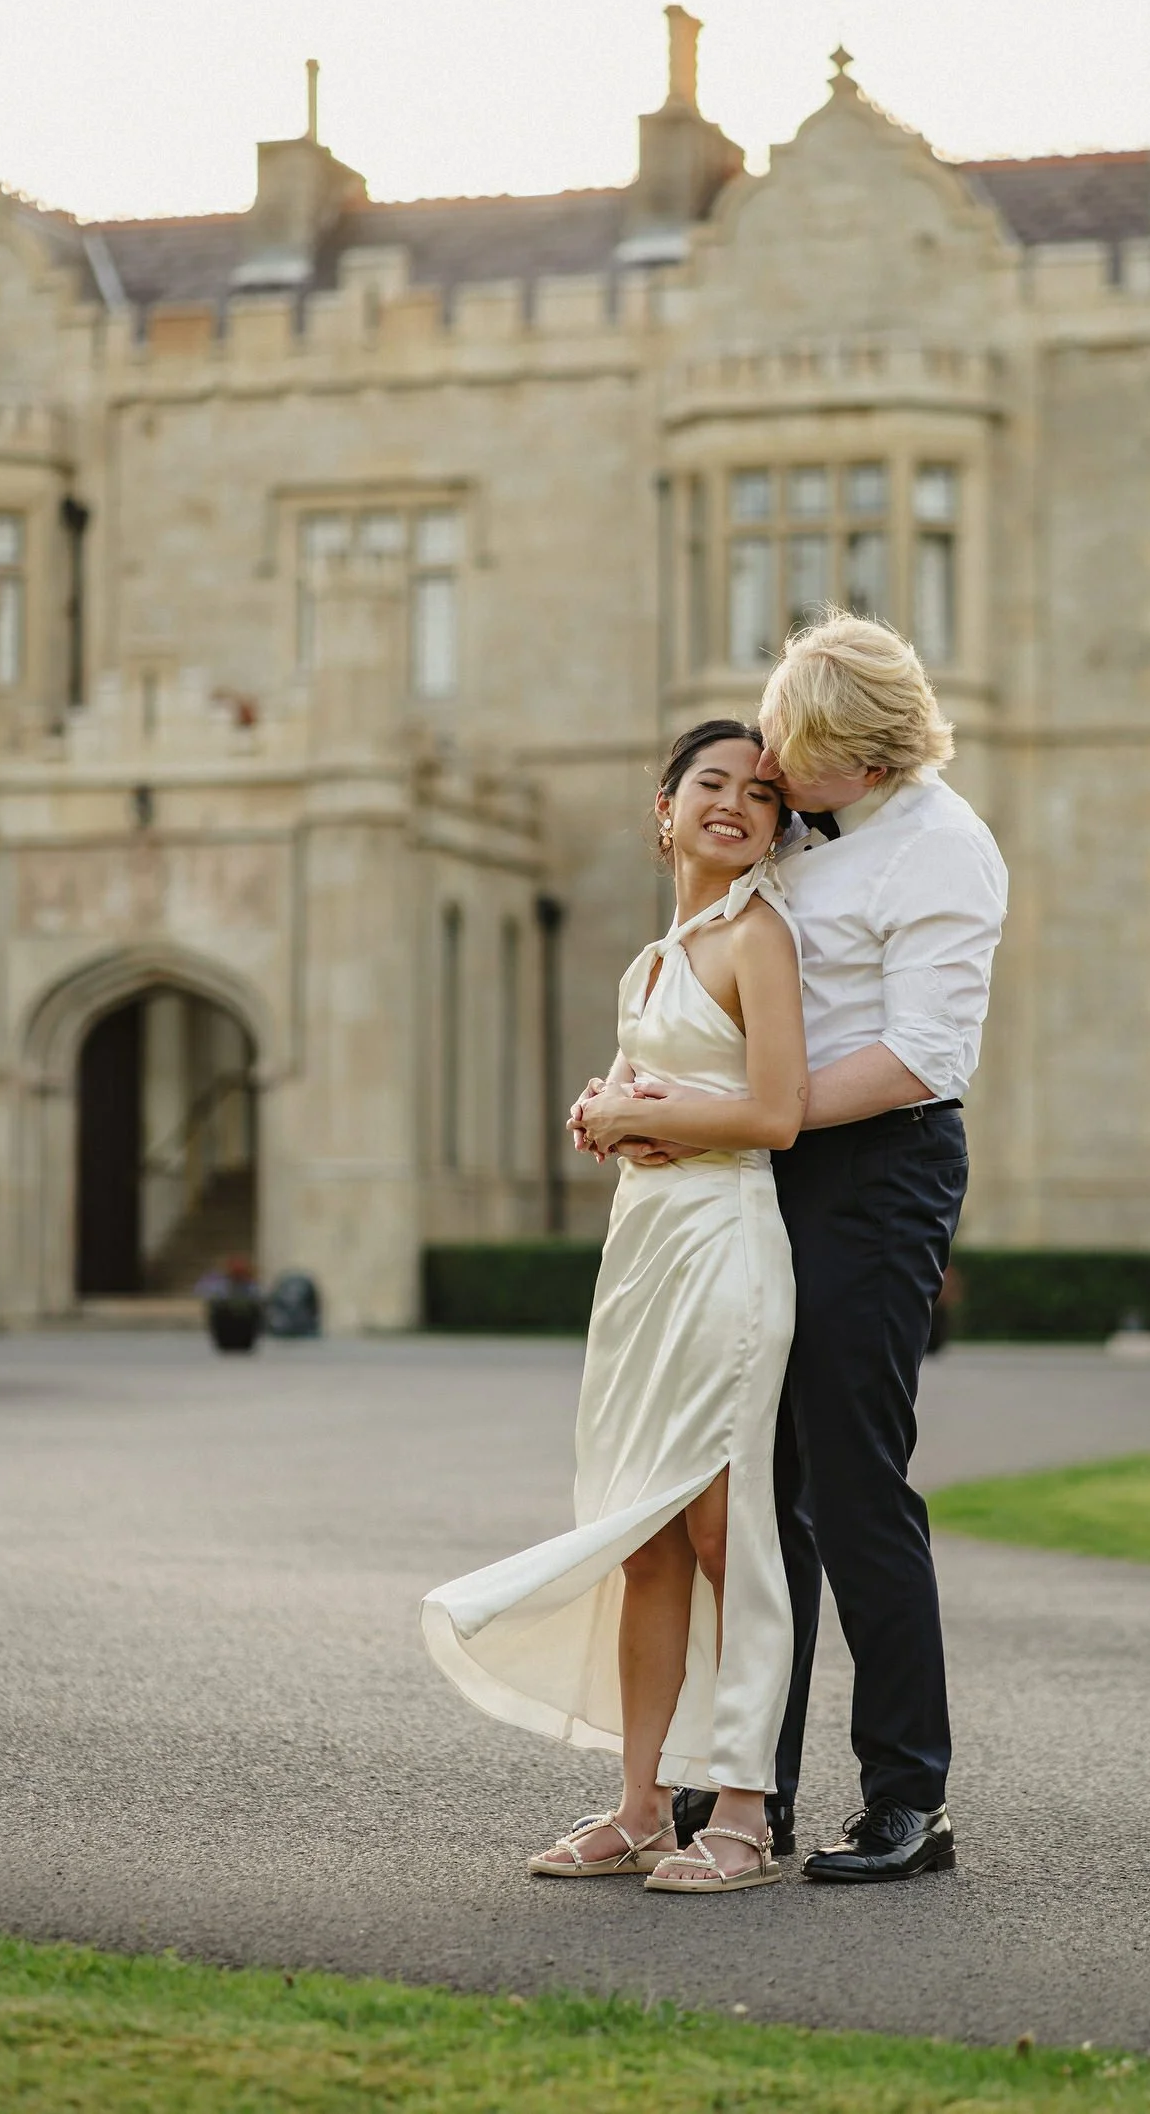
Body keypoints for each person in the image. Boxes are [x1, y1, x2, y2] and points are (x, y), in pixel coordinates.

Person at [588, 610, 1007, 1884]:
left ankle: (906, 1801)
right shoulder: (804, 829)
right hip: (754, 1169)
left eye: (790, 748)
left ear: (863, 758)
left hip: (878, 1167)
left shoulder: (945, 850)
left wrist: (722, 1122)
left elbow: (922, 1058)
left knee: (849, 1482)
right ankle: (740, 1802)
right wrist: (648, 1095)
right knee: (747, 1497)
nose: (767, 764)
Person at [421, 721, 809, 1893]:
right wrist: (612, 1115)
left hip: (727, 1249)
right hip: (641, 1253)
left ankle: (740, 1805)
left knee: (723, 1534)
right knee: (645, 1537)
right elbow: (675, 1097)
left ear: (780, 829)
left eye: (759, 794)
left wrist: (636, 1118)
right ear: (664, 809)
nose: (734, 803)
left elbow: (779, 1115)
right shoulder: (647, 964)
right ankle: (643, 1805)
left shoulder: (760, 938)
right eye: (711, 783)